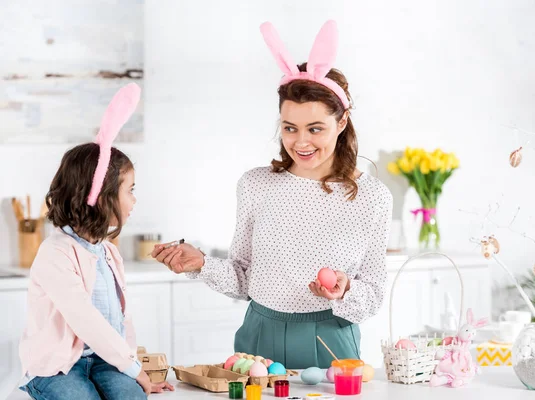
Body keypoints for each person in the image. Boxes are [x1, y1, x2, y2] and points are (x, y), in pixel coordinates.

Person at [153, 21, 393, 369]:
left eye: (316, 129)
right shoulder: (256, 185)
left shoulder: (372, 197)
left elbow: (372, 296)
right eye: (289, 128)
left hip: (329, 338)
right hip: (257, 335)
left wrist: (344, 291)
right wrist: (201, 264)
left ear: (341, 124)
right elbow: (242, 278)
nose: (301, 142)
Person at [18, 84, 174, 399]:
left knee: (130, 396)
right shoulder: (56, 253)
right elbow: (86, 319)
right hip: (59, 365)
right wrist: (136, 370)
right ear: (100, 197)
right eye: (129, 190)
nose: (134, 199)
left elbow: (118, 319)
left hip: (105, 361)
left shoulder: (108, 253)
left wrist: (131, 366)